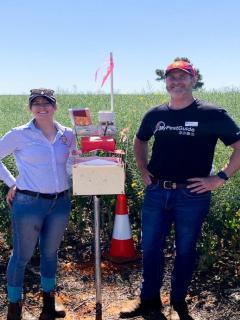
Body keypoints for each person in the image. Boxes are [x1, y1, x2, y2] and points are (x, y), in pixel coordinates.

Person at [120, 60, 240, 320]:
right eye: (171, 77)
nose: (176, 82)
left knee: (185, 249)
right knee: (150, 247)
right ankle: (148, 300)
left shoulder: (212, 114)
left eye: (182, 77)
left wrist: (219, 178)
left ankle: (178, 301)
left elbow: (239, 147)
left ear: (193, 79)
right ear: (166, 82)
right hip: (156, 192)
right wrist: (142, 169)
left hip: (192, 196)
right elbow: (140, 140)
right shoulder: (155, 114)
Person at [0, 89, 75, 320]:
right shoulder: (19, 134)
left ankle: (48, 307)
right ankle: (14, 309)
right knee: (21, 256)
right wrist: (12, 182)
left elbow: (72, 164)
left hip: (60, 202)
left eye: (47, 103)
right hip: (28, 203)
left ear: (55, 107)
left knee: (50, 253)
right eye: (36, 103)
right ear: (30, 108)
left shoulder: (68, 134)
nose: (42, 107)